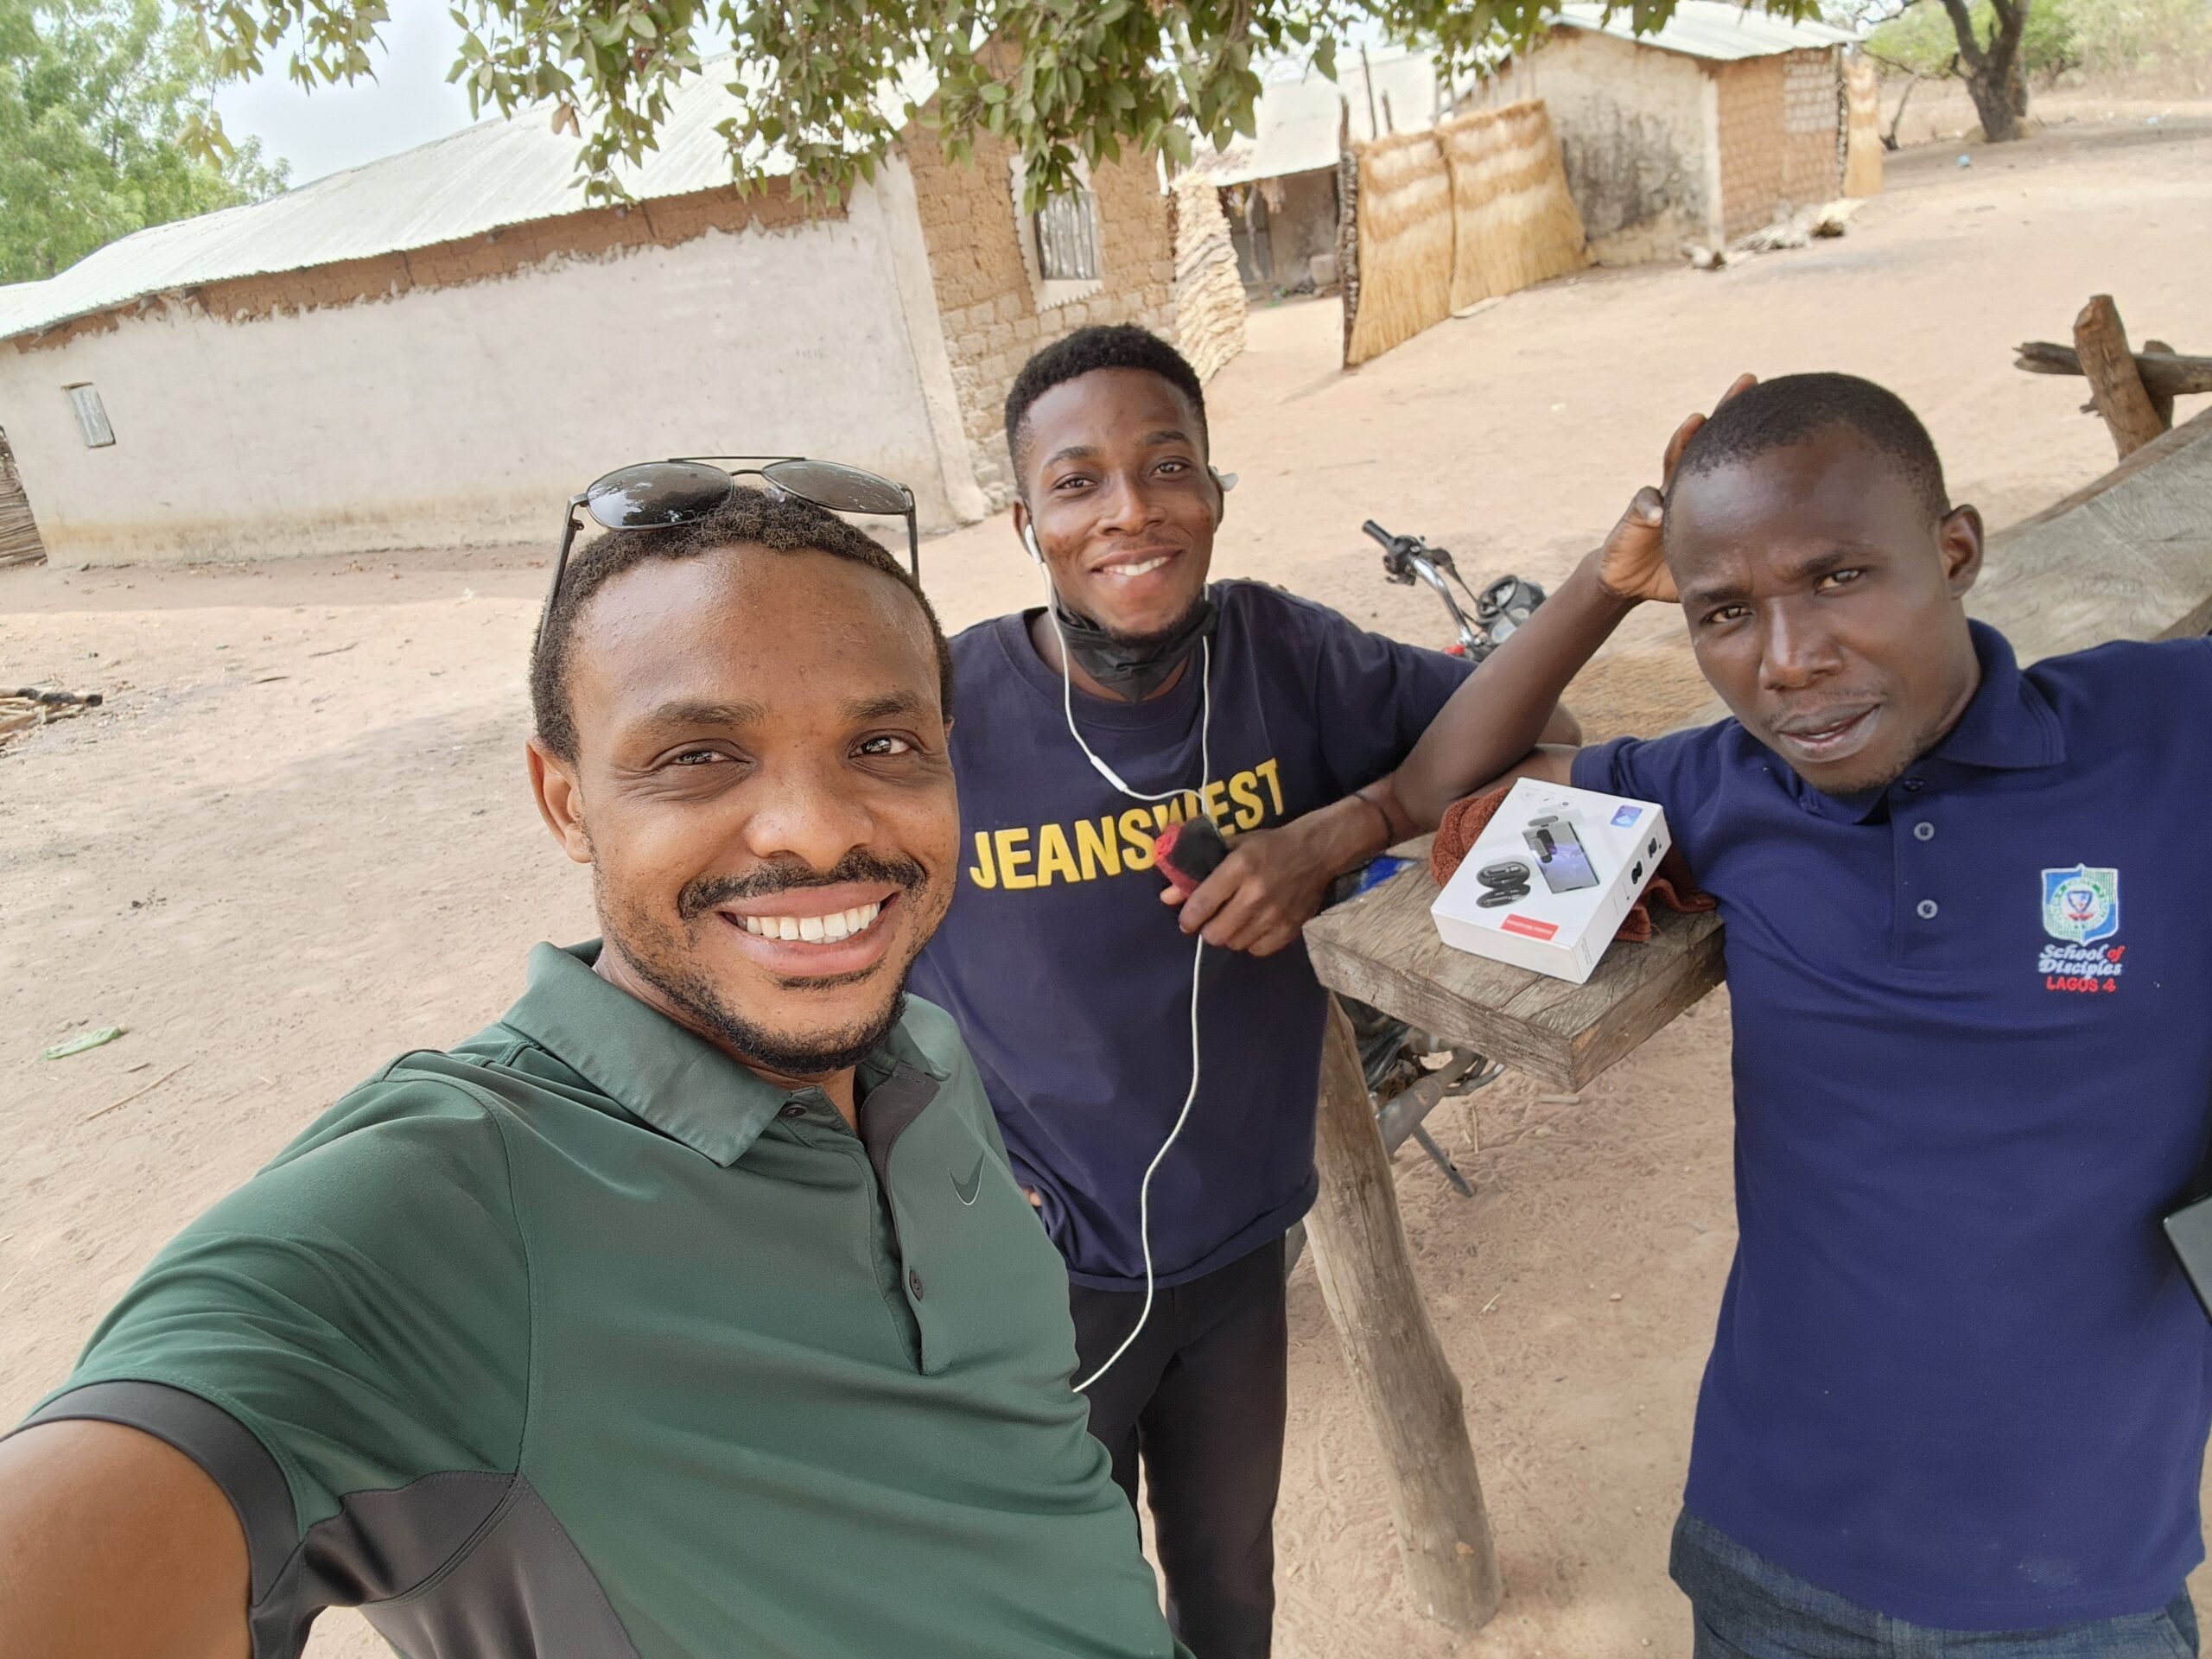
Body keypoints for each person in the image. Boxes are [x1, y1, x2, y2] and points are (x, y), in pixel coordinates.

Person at [0, 486, 1193, 1659]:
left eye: (883, 745)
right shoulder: (451, 1209)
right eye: (699, 755)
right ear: (565, 802)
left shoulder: (919, 1054)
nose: (820, 827)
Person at [1398, 371, 2212, 1659]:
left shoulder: (2167, 730)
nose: (1789, 661)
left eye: (1840, 577)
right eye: (1726, 611)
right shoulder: (1728, 784)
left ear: (1956, 552)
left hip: (2080, 1580)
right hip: (1771, 1559)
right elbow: (1446, 785)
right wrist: (1611, 578)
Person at [906, 323, 1634, 1657]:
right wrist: (923, 1176)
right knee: (1052, 1608)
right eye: (1078, 482)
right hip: (1040, 1278)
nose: (1131, 511)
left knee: (1232, 1589)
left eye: (1166, 465)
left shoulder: (1283, 657)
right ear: (1026, 524)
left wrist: (1339, 831)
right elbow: (822, 952)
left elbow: (1545, 736)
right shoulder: (944, 714)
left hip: (1242, 1249)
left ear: (1214, 491)